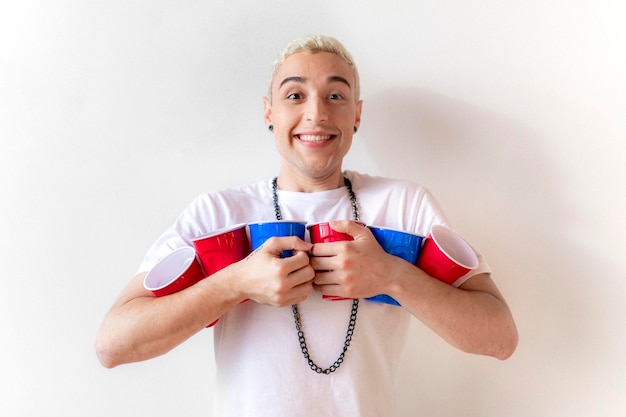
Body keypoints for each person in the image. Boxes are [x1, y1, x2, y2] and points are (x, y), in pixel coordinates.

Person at [95, 34, 518, 416]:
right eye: (295, 95)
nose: (316, 114)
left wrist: (391, 275)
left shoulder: (403, 206)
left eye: (335, 95)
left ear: (357, 114)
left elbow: (500, 338)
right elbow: (113, 345)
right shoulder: (216, 214)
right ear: (269, 113)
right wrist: (234, 284)